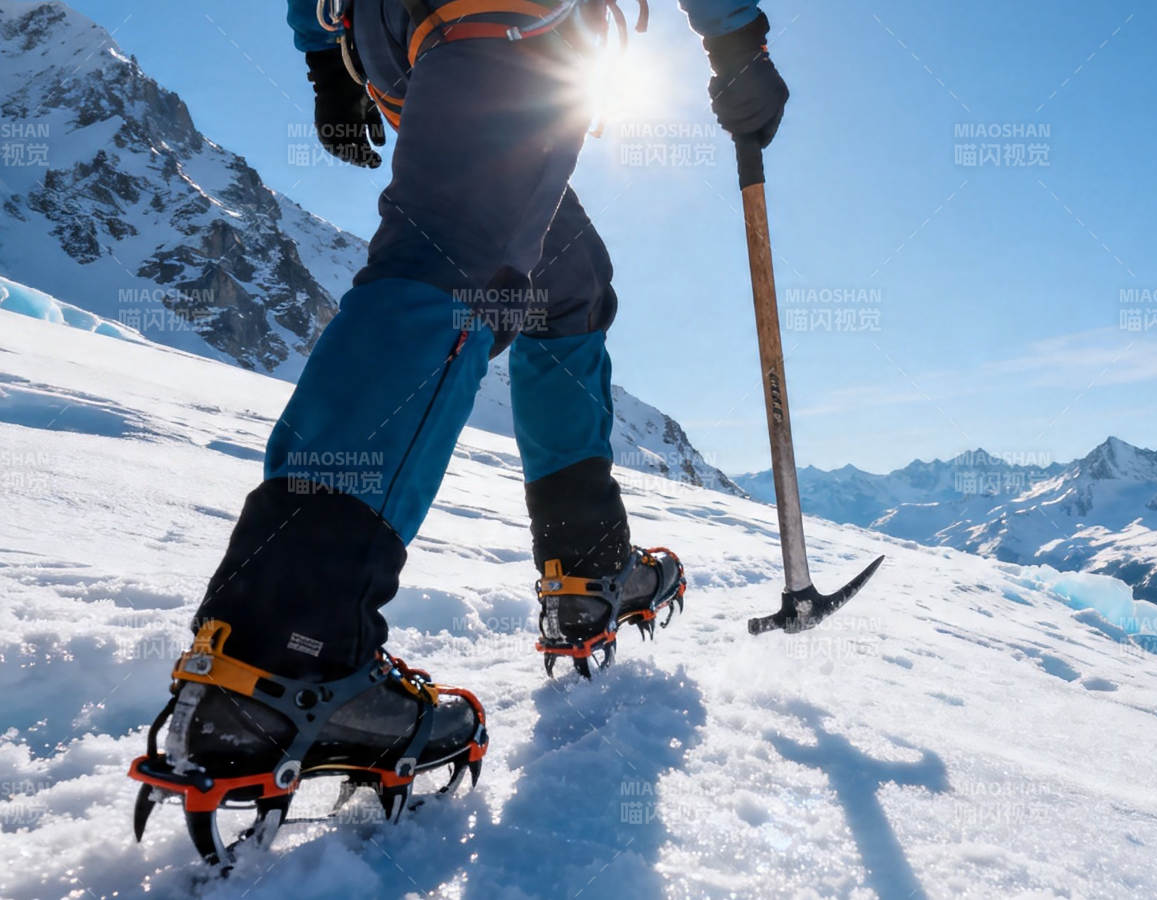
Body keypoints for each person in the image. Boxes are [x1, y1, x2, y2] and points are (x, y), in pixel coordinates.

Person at [128, 0, 788, 854]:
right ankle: (284, 654)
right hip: (508, 23)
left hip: (400, 38)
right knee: (450, 260)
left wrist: (325, 58)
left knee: (565, 282)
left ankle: (584, 569)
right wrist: (734, 38)